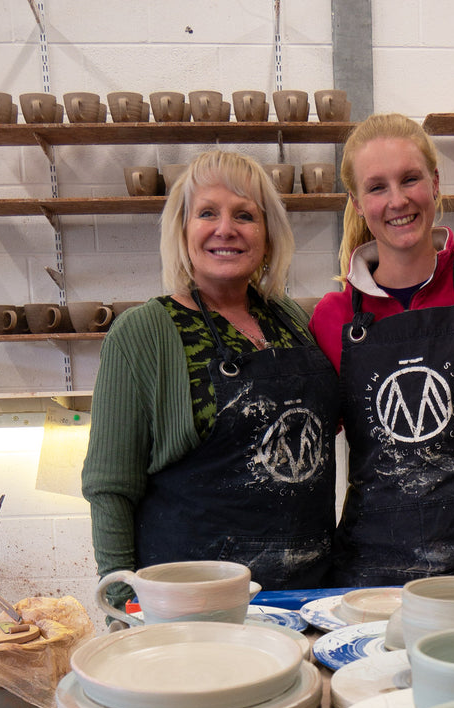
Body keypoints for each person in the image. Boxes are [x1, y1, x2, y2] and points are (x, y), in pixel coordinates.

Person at [82, 149, 339, 608]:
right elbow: (110, 490)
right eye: (207, 213)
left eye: (245, 215)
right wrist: (124, 610)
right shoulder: (144, 333)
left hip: (308, 595)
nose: (226, 229)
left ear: (268, 235)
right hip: (196, 608)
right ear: (182, 232)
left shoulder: (292, 320)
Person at [309, 113, 454, 586]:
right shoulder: (331, 318)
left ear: (434, 182)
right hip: (374, 567)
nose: (398, 200)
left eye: (410, 179)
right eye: (377, 187)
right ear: (357, 202)